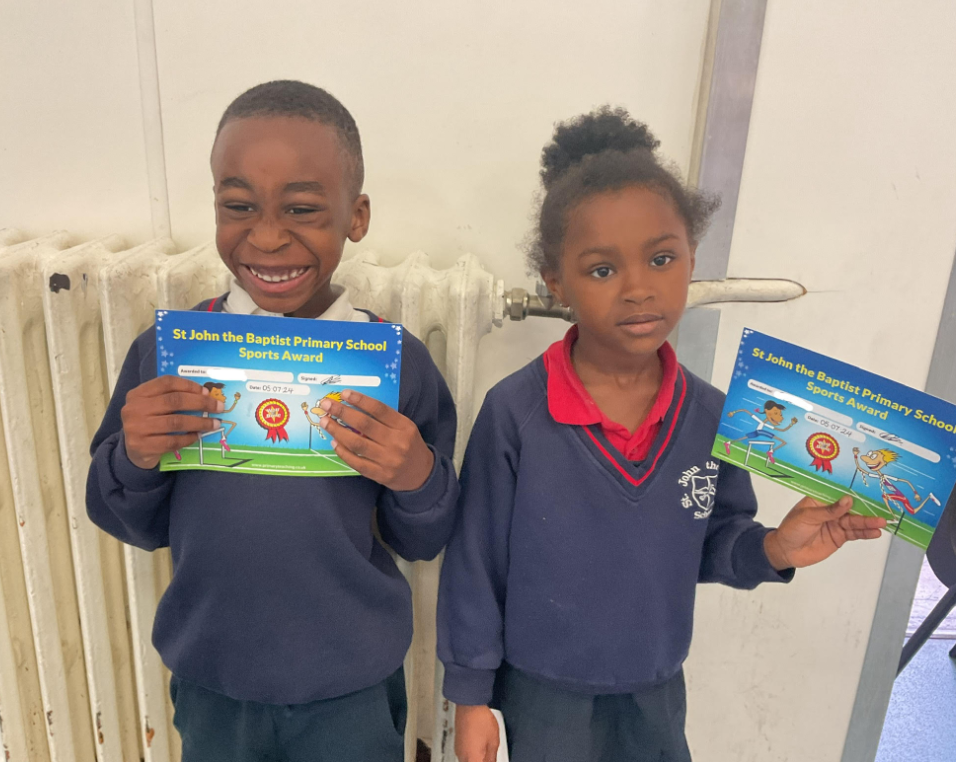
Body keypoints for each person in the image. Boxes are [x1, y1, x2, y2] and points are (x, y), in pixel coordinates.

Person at [437, 107, 886, 762]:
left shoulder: (711, 415)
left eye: (661, 258)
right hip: (542, 695)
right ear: (556, 282)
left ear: (691, 261)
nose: (638, 289)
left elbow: (715, 540)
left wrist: (773, 548)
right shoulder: (515, 413)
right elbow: (475, 564)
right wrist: (470, 697)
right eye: (602, 270)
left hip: (656, 689)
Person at [86, 80, 459, 762]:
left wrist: (416, 475)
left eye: (302, 208)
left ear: (357, 216)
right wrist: (133, 456)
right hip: (215, 676)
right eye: (238, 206)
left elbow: (424, 537)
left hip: (350, 686)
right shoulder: (168, 357)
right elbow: (129, 522)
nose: (266, 236)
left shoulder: (397, 365)